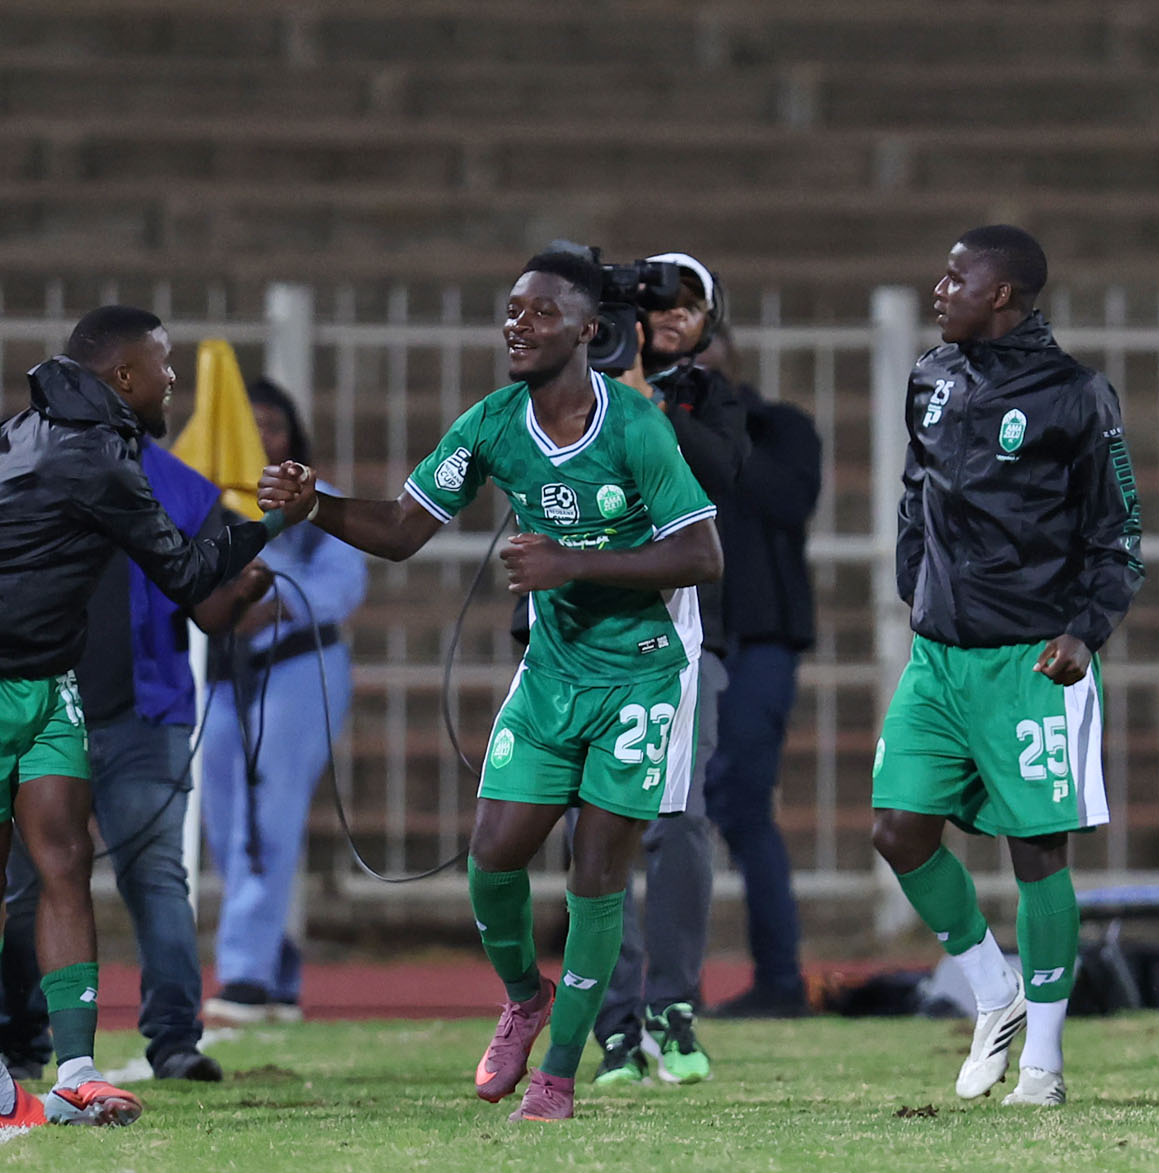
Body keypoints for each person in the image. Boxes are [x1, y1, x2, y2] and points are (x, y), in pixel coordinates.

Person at [259, 250, 722, 1122]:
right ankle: (524, 997)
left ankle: (558, 1078)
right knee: (492, 857)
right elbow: (403, 529)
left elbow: (702, 554)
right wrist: (313, 504)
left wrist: (571, 562)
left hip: (643, 673)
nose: (518, 324)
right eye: (512, 310)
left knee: (596, 875)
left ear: (587, 330)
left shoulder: (633, 425)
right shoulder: (494, 423)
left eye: (541, 312)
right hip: (552, 671)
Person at [0, 305, 307, 1127]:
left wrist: (13, 554)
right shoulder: (97, 458)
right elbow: (189, 575)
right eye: (163, 364)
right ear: (123, 376)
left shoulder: (29, 426)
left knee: (65, 859)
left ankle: (77, 1071)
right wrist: (274, 523)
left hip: (48, 674)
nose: (172, 378)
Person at [871, 225, 1143, 1108]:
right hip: (939, 659)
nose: (939, 288)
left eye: (956, 277)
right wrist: (915, 582)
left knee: (1036, 853)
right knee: (898, 831)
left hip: (1032, 663)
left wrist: (1085, 632)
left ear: (1002, 294)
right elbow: (916, 488)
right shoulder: (931, 376)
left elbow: (1118, 534)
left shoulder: (1075, 395)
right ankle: (996, 993)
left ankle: (1044, 1067)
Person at [1, 437, 274, 1078]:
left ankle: (175, 1040)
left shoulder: (181, 486)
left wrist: (243, 590)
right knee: (26, 887)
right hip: (37, 710)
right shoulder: (21, 460)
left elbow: (210, 611)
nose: (168, 389)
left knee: (155, 879)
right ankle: (18, 1039)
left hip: (142, 717)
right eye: (159, 380)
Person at [580, 254, 747, 1086]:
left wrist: (643, 396)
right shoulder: (575, 395)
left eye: (689, 305)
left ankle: (671, 1008)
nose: (671, 318)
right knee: (594, 828)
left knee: (677, 822)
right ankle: (613, 1023)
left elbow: (721, 474)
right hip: (580, 634)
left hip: (683, 637)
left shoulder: (709, 398)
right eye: (657, 305)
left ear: (712, 320)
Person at [201, 377, 366, 1025]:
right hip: (221, 674)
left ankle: (244, 974)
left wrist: (276, 605)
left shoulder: (316, 500)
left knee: (269, 814)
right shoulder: (201, 500)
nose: (262, 437)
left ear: (293, 434)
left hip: (298, 665)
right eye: (249, 424)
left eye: (272, 425)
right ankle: (275, 962)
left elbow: (345, 581)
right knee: (224, 824)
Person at [698, 326, 822, 1021]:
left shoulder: (781, 428)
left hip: (760, 638)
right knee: (669, 813)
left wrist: (715, 422)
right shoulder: (649, 432)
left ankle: (780, 980)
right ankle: (669, 987)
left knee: (744, 804)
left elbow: (788, 501)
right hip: (680, 637)